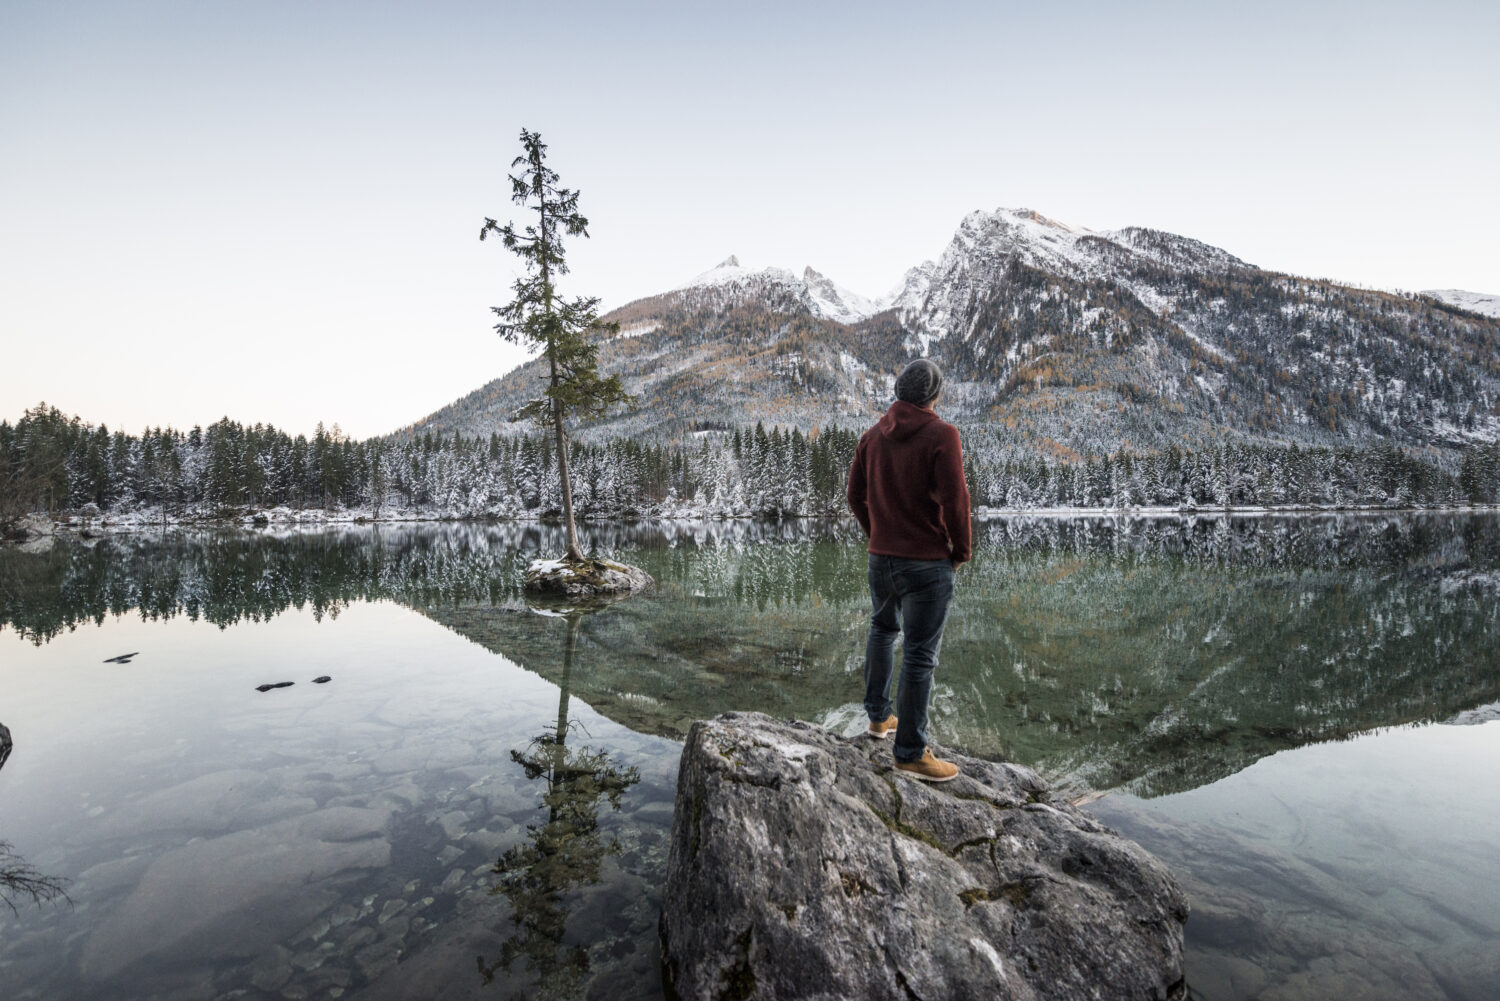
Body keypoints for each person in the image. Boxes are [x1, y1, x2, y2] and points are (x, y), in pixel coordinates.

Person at [846, 358, 971, 782]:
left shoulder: (871, 437)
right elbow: (956, 501)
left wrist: (876, 533)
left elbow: (853, 495)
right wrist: (961, 551)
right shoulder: (942, 434)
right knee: (920, 654)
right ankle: (911, 752)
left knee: (882, 631)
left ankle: (879, 719)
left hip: (881, 559)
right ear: (932, 396)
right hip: (926, 564)